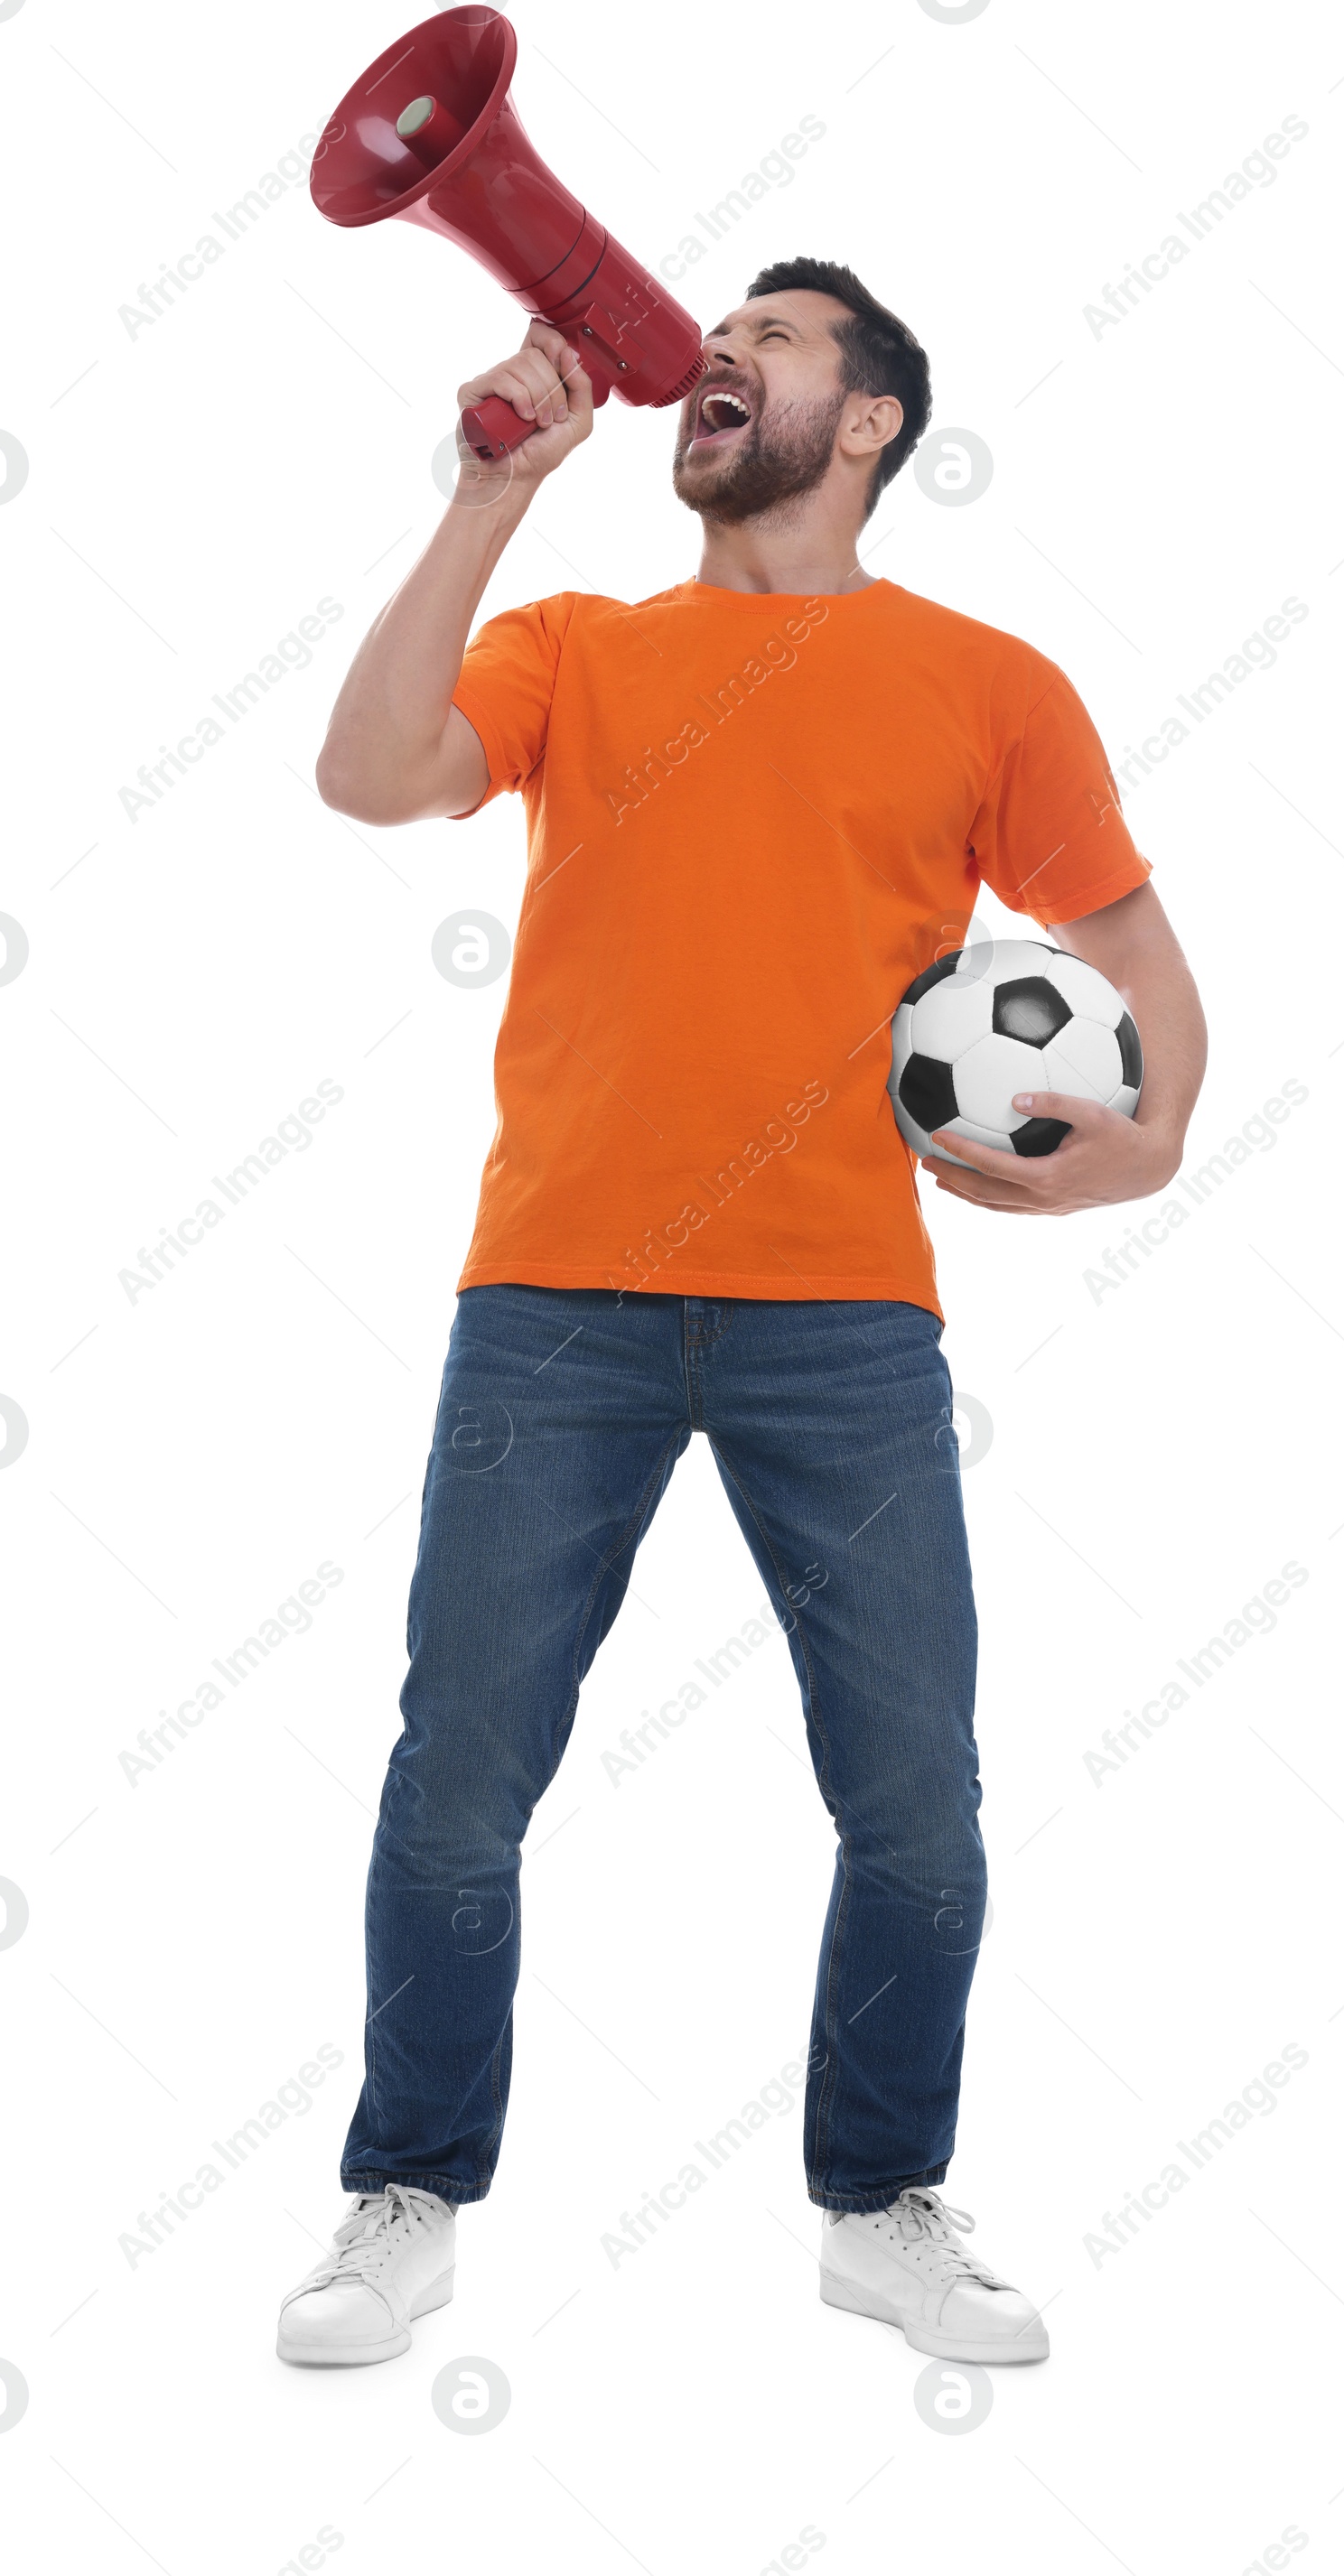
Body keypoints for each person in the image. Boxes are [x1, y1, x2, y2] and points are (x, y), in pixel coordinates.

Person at [275, 258, 1206, 2368]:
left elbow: (1140, 958)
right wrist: (489, 487)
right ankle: (403, 2186)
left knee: (914, 1805)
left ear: (865, 420)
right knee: (455, 1785)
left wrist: (1143, 1148)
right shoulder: (578, 645)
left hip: (839, 1322)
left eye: (777, 339)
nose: (723, 355)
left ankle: (875, 2200)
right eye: (728, 337)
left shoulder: (985, 685)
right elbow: (366, 772)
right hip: (551, 1305)